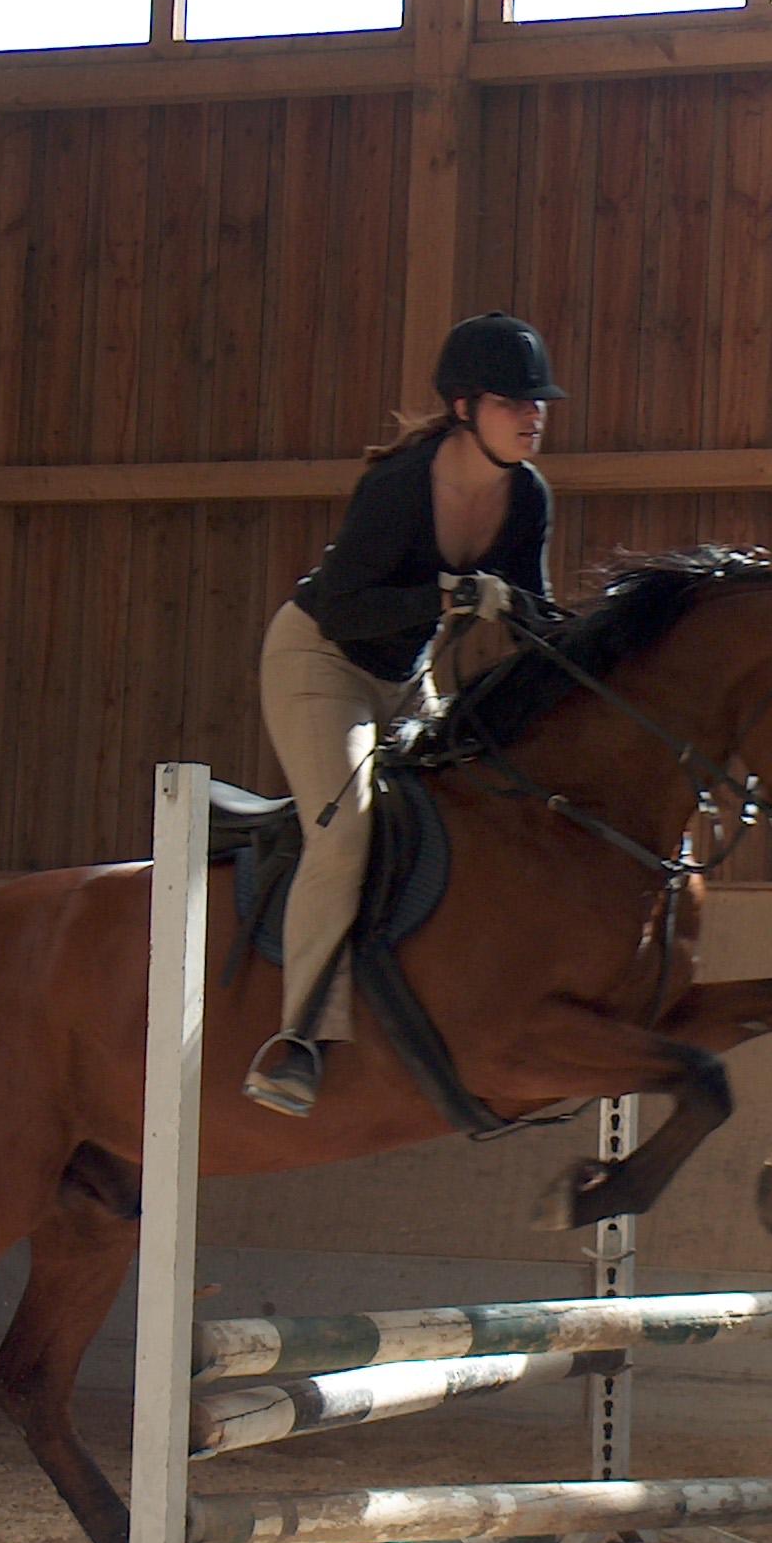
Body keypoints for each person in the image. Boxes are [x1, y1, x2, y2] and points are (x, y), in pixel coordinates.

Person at [242, 312, 563, 1117]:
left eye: (538, 403)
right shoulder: (398, 488)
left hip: (406, 676)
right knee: (345, 826)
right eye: (513, 402)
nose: (532, 416)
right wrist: (451, 594)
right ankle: (299, 1039)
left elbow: (536, 618)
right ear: (464, 407)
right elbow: (345, 609)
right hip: (321, 663)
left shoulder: (527, 494)